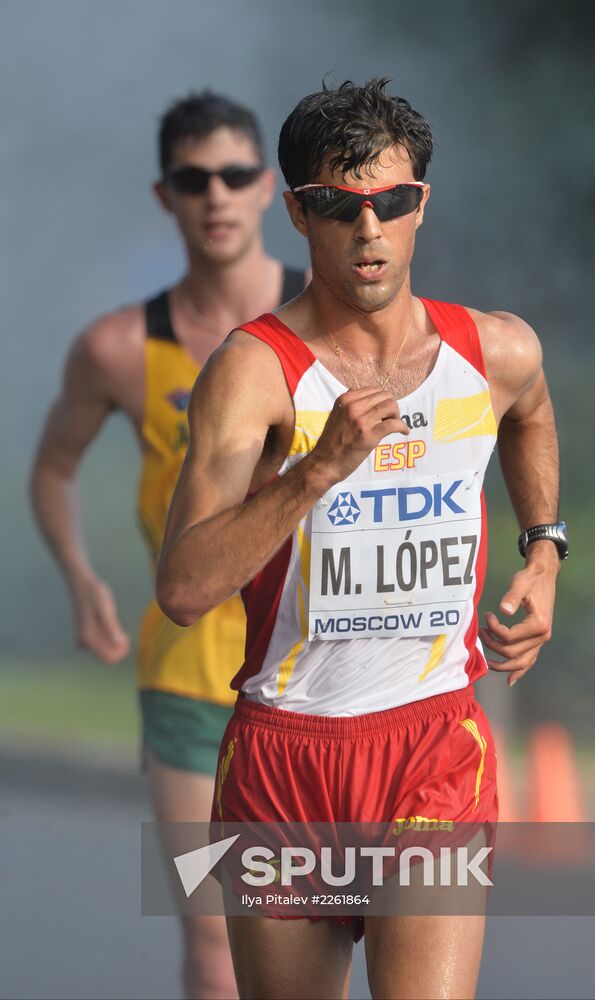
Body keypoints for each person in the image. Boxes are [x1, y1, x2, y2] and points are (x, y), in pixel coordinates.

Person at [156, 78, 566, 999]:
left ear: (422, 203)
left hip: (432, 746)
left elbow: (530, 415)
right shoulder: (255, 374)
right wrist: (315, 470)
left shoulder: (493, 352)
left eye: (393, 202)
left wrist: (544, 552)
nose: (369, 229)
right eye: (340, 206)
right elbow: (182, 590)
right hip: (285, 757)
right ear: (299, 213)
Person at [30, 90, 306, 1000]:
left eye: (233, 175)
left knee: (330, 925)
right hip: (189, 678)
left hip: (323, 669)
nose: (215, 196)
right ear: (166, 196)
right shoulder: (116, 348)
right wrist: (81, 578)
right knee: (217, 947)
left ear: (268, 188)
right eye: (194, 180)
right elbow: (53, 469)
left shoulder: (334, 320)